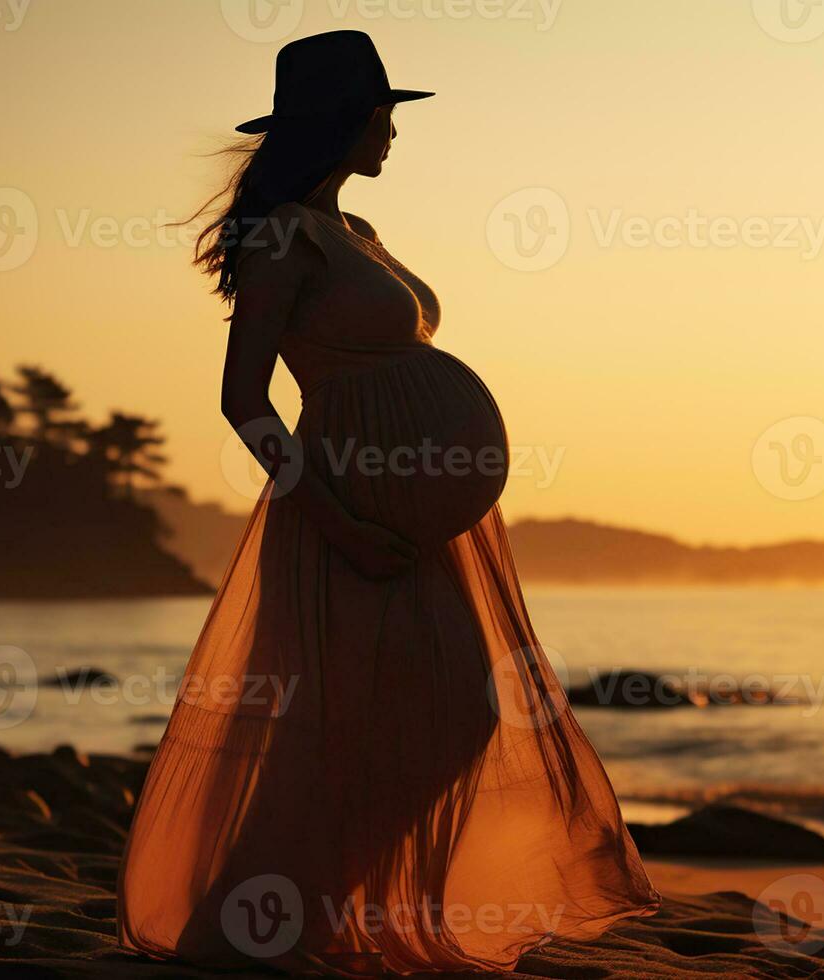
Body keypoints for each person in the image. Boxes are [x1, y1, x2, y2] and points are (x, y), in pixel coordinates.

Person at [116, 31, 658, 975]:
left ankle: (305, 920)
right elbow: (242, 401)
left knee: (446, 715)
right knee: (375, 723)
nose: (396, 134)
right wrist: (338, 522)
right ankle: (246, 934)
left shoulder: (353, 234)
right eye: (386, 115)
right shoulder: (285, 234)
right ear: (350, 121)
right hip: (341, 514)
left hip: (410, 521)